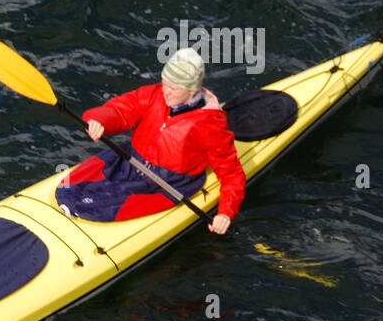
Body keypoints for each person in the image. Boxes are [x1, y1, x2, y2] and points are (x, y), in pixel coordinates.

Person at [53, 48, 245, 232]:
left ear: (192, 91)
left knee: (97, 205)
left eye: (173, 88)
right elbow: (121, 110)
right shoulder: (155, 95)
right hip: (130, 160)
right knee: (71, 187)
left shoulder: (211, 125)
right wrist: (99, 121)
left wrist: (226, 213)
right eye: (165, 84)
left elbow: (232, 175)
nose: (166, 92)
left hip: (166, 182)